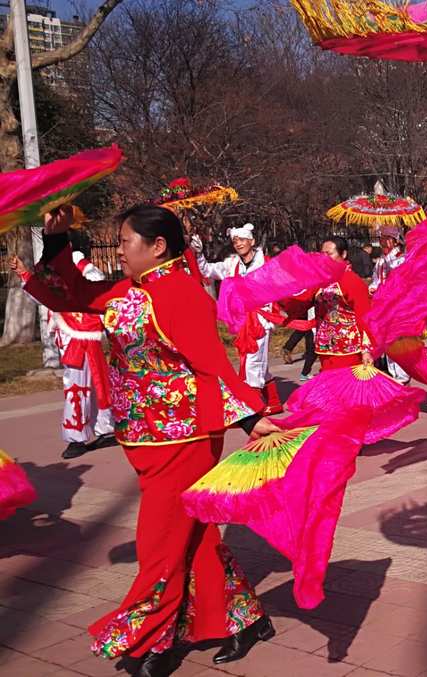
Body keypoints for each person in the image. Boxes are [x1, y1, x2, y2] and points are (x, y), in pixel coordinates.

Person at [15, 205, 278, 677]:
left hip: (187, 437)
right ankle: (245, 619)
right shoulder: (129, 290)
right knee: (190, 535)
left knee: (159, 540)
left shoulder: (181, 293)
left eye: (124, 241)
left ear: (157, 247)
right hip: (145, 435)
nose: (117, 249)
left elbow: (211, 364)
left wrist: (251, 418)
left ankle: (153, 636)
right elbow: (69, 294)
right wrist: (56, 242)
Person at [192, 223, 282, 415]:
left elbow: (280, 286)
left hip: (260, 321)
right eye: (235, 241)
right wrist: (199, 254)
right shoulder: (231, 263)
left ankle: (253, 409)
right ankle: (273, 401)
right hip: (241, 321)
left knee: (252, 362)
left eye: (242, 240)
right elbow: (208, 271)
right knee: (256, 362)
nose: (238, 244)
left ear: (252, 241)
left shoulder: (266, 263)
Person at [47, 231, 115, 459]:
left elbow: (96, 288)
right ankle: (103, 428)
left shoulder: (81, 266)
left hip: (83, 335)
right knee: (91, 383)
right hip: (70, 334)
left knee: (80, 385)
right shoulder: (54, 270)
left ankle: (78, 437)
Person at [286, 237, 374, 372]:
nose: (324, 258)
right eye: (322, 254)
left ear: (343, 254)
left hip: (348, 348)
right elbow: (301, 301)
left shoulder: (352, 280)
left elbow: (365, 316)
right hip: (325, 347)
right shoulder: (320, 280)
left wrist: (366, 350)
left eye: (329, 254)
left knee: (345, 387)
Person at [368, 226, 411, 384]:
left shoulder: (401, 257)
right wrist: (372, 288)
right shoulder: (380, 260)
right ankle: (392, 372)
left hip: (398, 306)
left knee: (397, 340)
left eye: (386, 238)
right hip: (382, 305)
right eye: (381, 238)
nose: (382, 242)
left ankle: (402, 374)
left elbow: (399, 275)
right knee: (385, 340)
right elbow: (376, 279)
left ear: (394, 241)